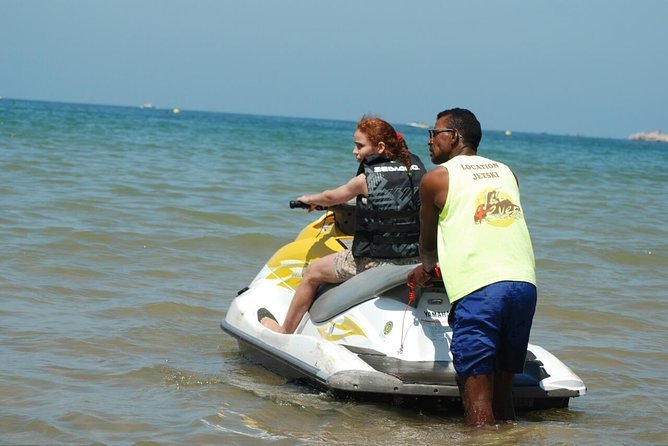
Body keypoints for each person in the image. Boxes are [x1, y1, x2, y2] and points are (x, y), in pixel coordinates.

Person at [407, 108, 537, 426]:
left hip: (481, 289)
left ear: (453, 136)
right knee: (502, 394)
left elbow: (427, 244)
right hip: (523, 285)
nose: (429, 141)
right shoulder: (507, 172)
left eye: (433, 133)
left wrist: (424, 269)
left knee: (477, 398)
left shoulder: (436, 178)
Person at [262, 116, 426, 334]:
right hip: (413, 259)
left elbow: (332, 197)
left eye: (360, 145)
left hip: (372, 262)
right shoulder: (419, 172)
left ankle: (285, 330)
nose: (354, 151)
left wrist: (310, 199)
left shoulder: (365, 180)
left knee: (312, 272)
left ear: (380, 147)